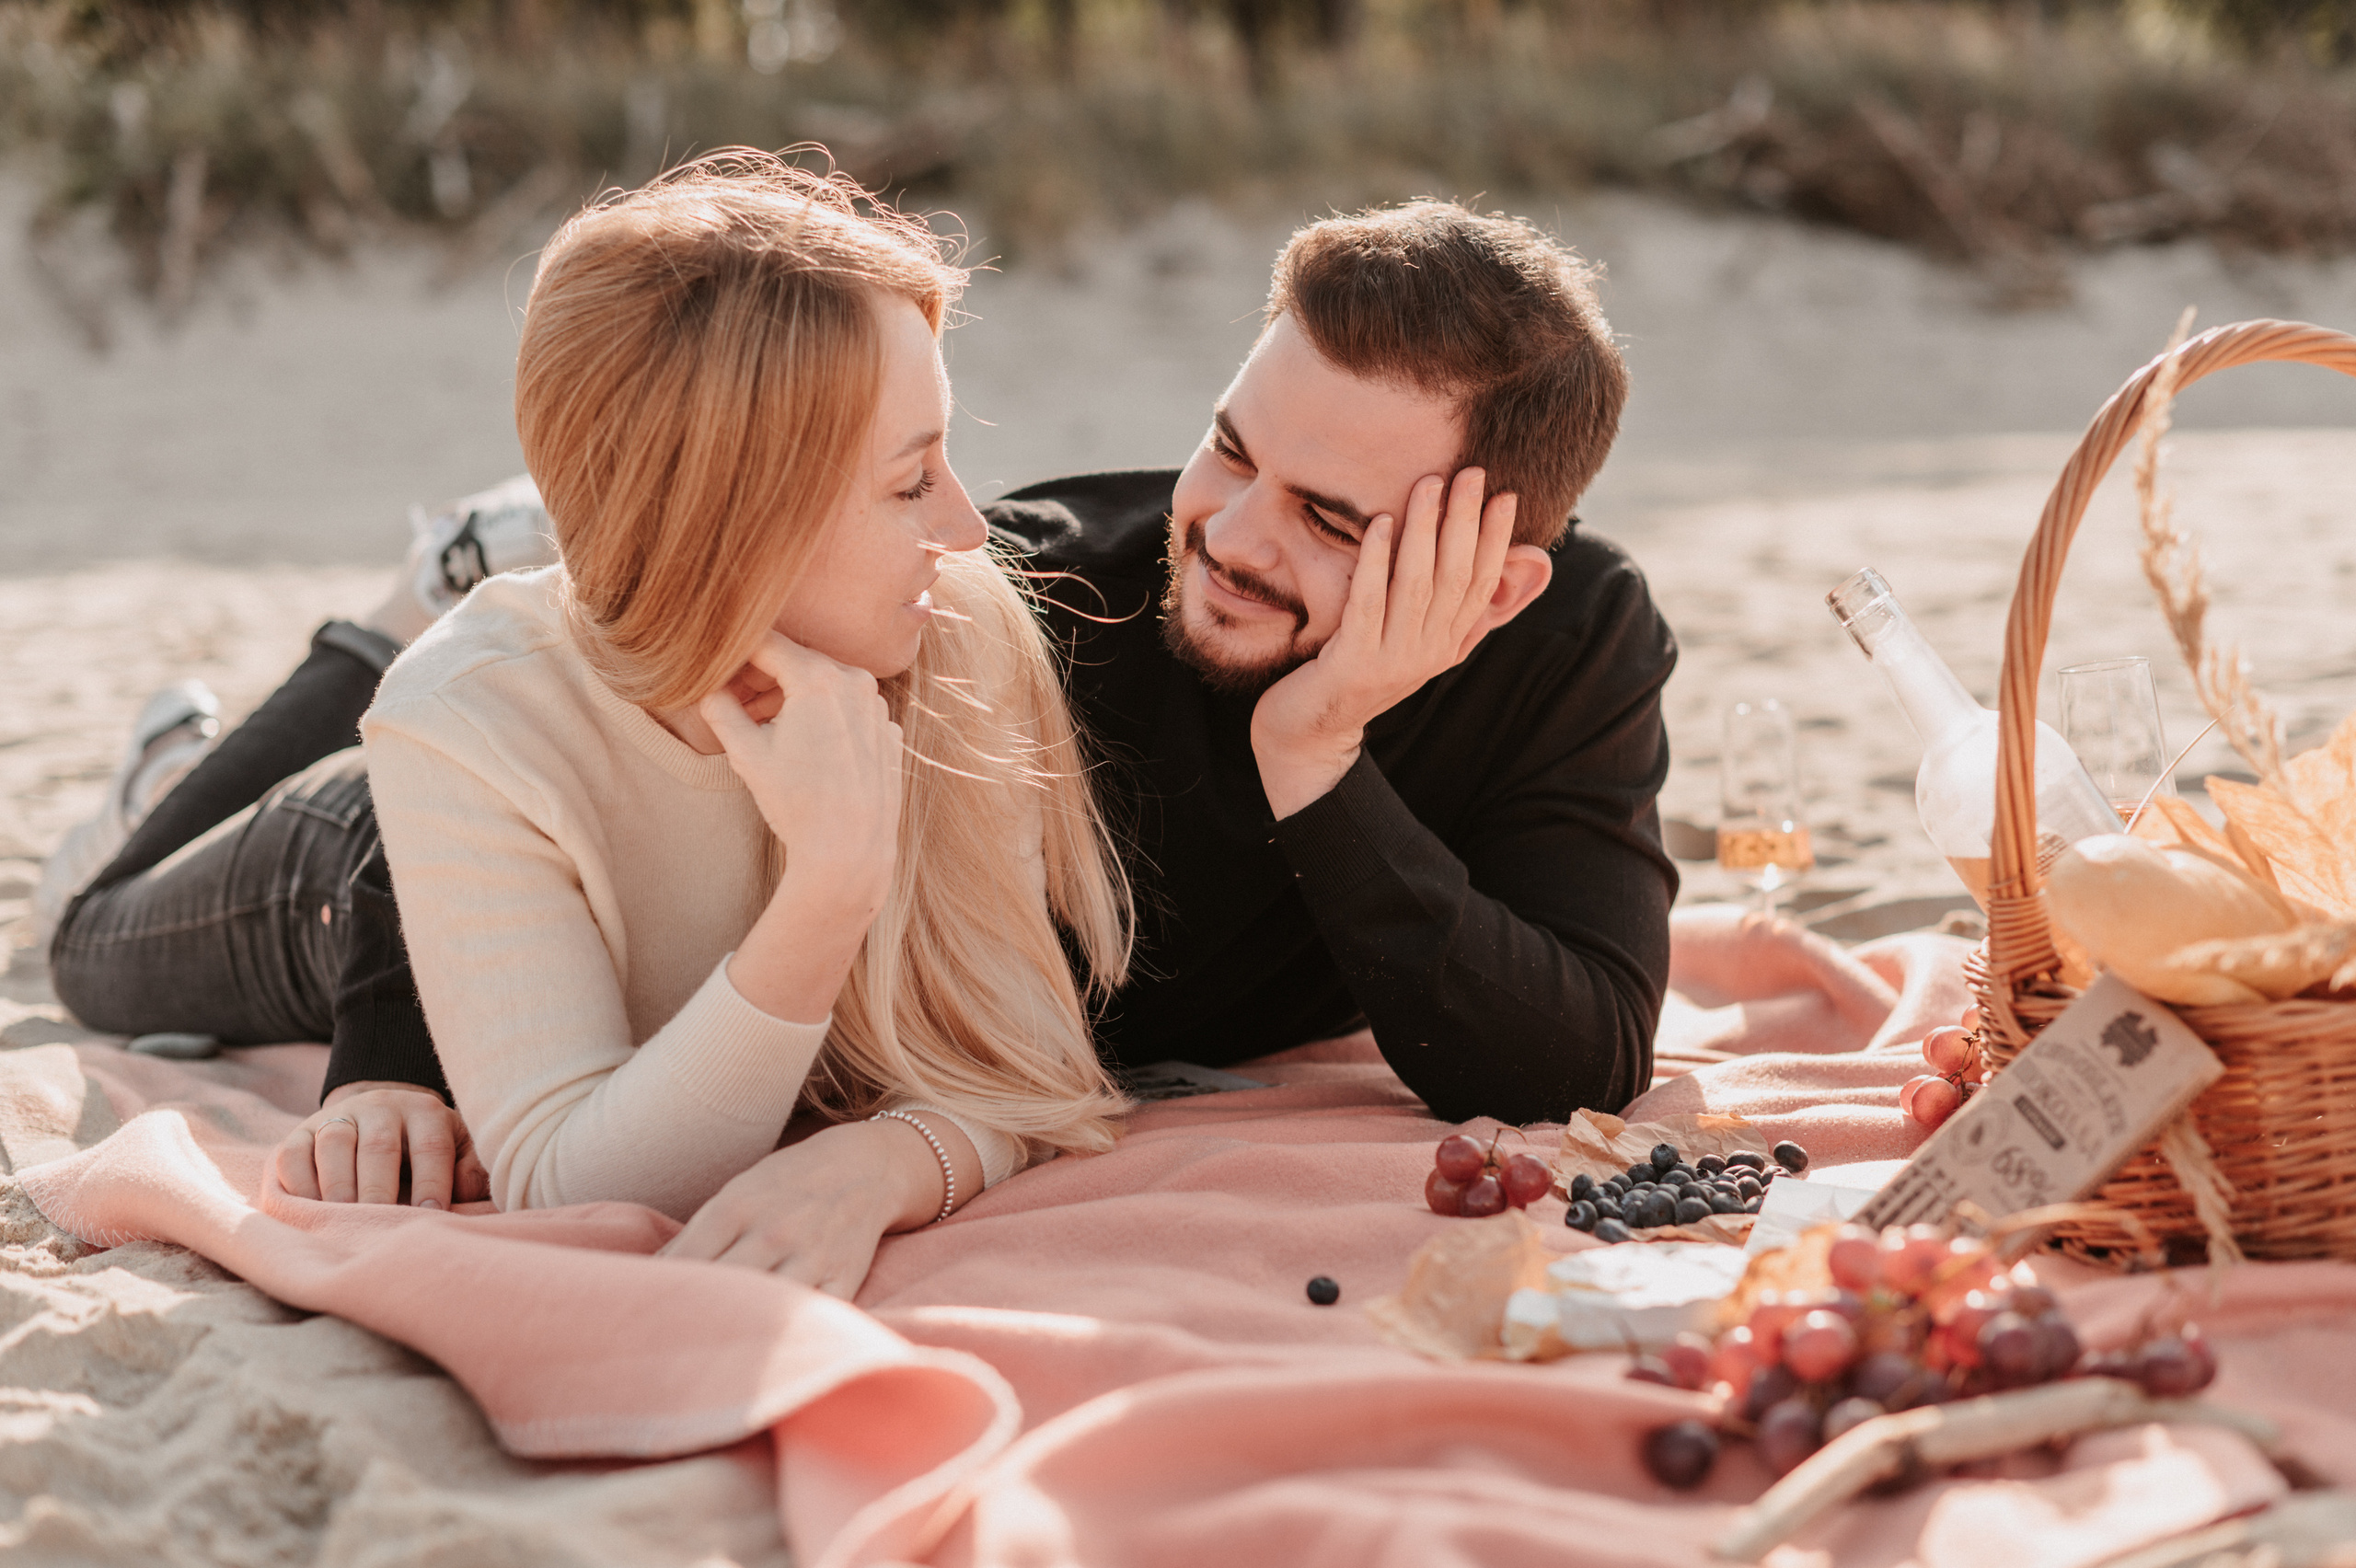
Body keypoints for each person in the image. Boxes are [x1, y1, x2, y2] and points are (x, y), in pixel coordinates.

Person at [55, 190, 1677, 1228]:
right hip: (409, 852)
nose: (1234, 536)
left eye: (1332, 519)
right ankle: (387, 616)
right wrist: (393, 1049)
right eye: (1233, 449)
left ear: (1497, 578)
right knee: (96, 939)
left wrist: (1314, 751)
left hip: (674, 879)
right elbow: (510, 753)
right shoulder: (1045, 599)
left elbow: (1570, 1048)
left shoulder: (1575, 649)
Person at [41, 154, 1135, 1297]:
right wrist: (829, 893)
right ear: (735, 517)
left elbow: (1022, 1075)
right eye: (911, 482)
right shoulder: (469, 724)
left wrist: (880, 1167)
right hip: (354, 861)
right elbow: (573, 1183)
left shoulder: (955, 633)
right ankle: (344, 650)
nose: (967, 528)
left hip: (552, 720)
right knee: (90, 946)